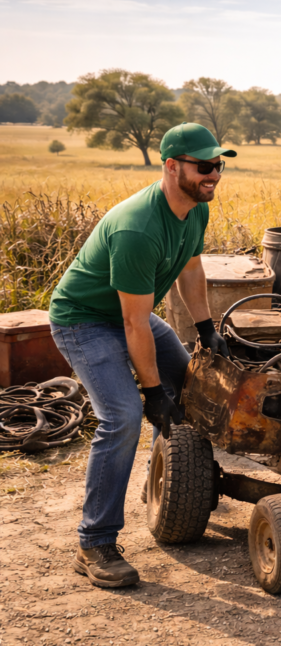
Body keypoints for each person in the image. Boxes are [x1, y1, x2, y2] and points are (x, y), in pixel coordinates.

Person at [48, 123, 234, 588]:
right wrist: (152, 392)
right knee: (125, 415)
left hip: (131, 312)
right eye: (203, 166)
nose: (214, 174)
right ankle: (94, 543)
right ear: (171, 167)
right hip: (86, 320)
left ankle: (175, 492)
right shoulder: (137, 228)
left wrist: (206, 328)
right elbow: (133, 324)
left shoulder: (195, 209)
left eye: (219, 165)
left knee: (192, 389)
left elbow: (191, 268)